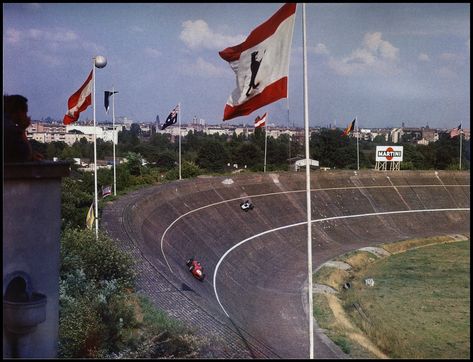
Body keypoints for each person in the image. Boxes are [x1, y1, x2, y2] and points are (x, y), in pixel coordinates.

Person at [4, 94, 43, 162]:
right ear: (19, 112)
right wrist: (22, 129)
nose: (26, 116)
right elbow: (25, 155)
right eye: (25, 112)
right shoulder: (11, 130)